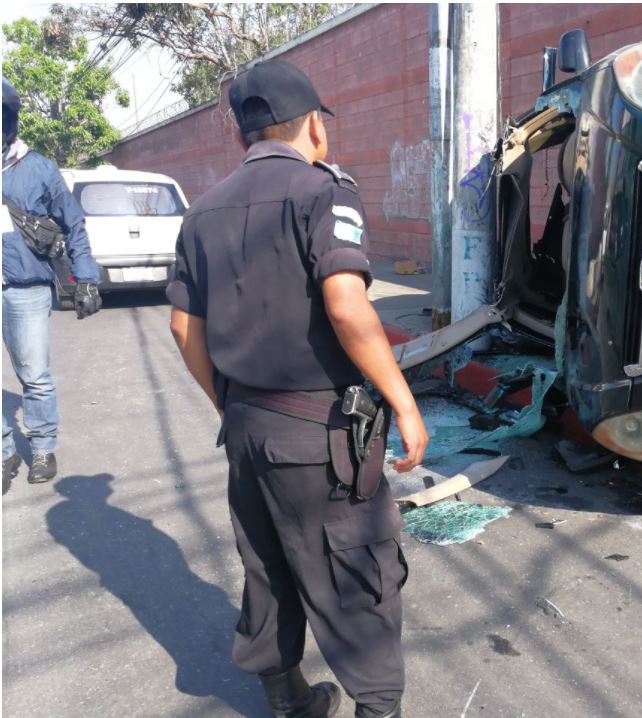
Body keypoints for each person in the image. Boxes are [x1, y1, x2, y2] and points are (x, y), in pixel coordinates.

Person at [167, 60, 428, 718]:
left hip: (248, 427)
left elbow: (181, 327)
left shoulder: (202, 212)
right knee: (355, 574)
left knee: (268, 562)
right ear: (314, 124)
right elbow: (346, 305)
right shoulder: (325, 191)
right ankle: (377, 708)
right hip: (319, 434)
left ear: (243, 138)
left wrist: (227, 402)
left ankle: (287, 700)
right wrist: (403, 400)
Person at [2, 78, 102, 494]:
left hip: (25, 288)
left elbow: (73, 222)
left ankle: (42, 446)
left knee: (35, 374)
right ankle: (4, 451)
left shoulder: (37, 168)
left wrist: (86, 278)